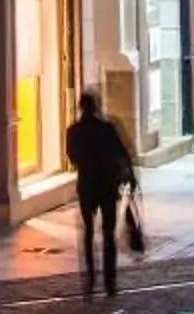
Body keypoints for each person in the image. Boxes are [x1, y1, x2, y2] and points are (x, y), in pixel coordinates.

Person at [64, 88, 137, 296]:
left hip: (87, 186)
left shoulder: (73, 131)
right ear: (96, 106)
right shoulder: (107, 129)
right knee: (108, 234)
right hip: (107, 185)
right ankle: (110, 282)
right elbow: (122, 154)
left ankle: (90, 279)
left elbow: (72, 158)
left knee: (87, 233)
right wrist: (129, 177)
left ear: (80, 107)